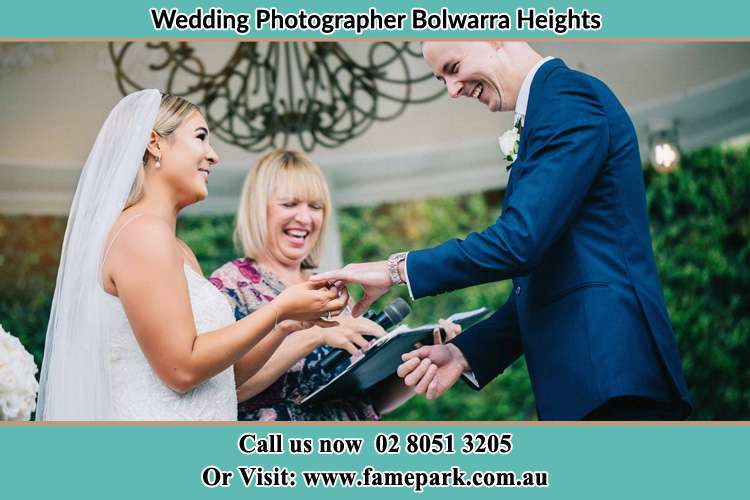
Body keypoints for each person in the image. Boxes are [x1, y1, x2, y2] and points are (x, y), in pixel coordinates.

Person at [313, 42, 692, 421]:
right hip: (592, 383)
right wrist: (466, 352)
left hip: (614, 376)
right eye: (441, 78)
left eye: (453, 66)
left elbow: (518, 242)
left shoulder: (568, 97)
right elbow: (549, 281)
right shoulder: (547, 110)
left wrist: (395, 270)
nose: (452, 89)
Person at [36, 91, 346, 421]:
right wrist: (279, 308)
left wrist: (285, 325)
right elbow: (181, 370)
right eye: (200, 137)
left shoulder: (178, 248)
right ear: (155, 143)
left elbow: (226, 376)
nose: (213, 156)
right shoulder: (142, 234)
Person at [210, 149, 461, 420]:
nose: (305, 218)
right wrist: (315, 335)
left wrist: (422, 363)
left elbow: (369, 402)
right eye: (289, 204)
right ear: (258, 208)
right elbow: (223, 392)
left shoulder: (332, 289)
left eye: (315, 207)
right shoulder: (227, 287)